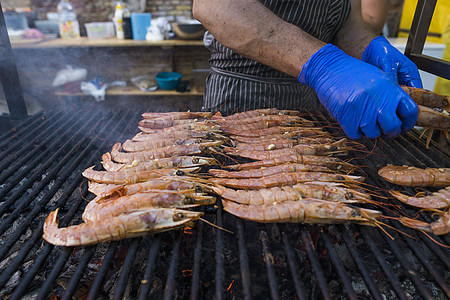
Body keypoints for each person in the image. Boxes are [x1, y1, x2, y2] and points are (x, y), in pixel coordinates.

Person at [193, 0, 422, 140]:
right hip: (239, 98)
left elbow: (347, 22)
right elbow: (214, 5)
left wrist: (369, 45)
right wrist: (322, 64)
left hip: (313, 104)